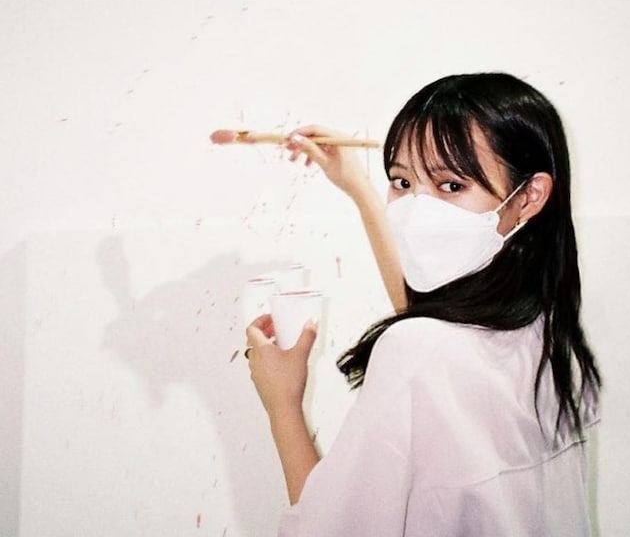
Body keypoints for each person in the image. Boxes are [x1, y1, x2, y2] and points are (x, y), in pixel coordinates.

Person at [245, 73, 601, 536]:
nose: (417, 211)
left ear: (528, 197)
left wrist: (283, 404)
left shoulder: (417, 351)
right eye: (402, 181)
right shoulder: (549, 334)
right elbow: (436, 327)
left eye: (451, 186)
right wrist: (359, 189)